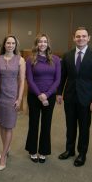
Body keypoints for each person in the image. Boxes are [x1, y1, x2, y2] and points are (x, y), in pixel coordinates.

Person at [57, 26, 92, 167]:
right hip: (70, 96)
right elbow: (62, 77)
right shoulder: (67, 55)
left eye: (84, 36)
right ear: (74, 38)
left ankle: (82, 153)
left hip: (87, 98)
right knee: (70, 125)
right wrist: (59, 93)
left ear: (88, 38)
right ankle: (69, 150)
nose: (81, 38)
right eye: (78, 36)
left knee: (84, 127)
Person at [25, 33, 61, 163]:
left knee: (46, 124)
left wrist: (47, 94)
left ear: (48, 44)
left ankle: (44, 151)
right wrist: (39, 94)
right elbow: (29, 79)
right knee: (33, 123)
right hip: (34, 96)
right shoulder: (30, 59)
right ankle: (33, 150)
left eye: (45, 41)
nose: (42, 44)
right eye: (40, 42)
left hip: (49, 96)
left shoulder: (56, 59)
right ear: (36, 44)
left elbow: (57, 80)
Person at [0, 35, 26, 171]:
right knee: (2, 125)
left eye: (13, 43)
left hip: (12, 97)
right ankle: (5, 149)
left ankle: (3, 156)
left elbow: (22, 81)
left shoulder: (20, 60)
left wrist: (19, 99)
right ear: (4, 44)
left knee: (9, 126)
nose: (10, 45)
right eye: (8, 43)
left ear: (15, 45)